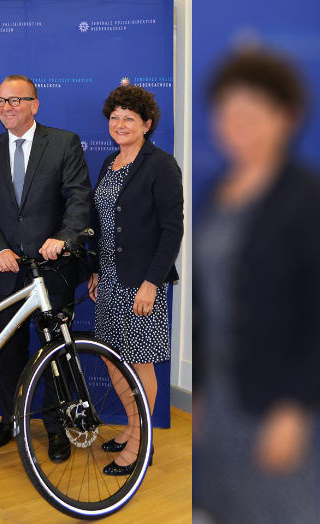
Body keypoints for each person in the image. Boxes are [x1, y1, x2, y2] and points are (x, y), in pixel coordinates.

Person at [192, 51, 320, 523]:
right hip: (214, 402)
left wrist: (294, 408)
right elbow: (204, 301)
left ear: (286, 118)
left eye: (253, 114)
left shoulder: (310, 197)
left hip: (273, 403)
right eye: (228, 112)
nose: (238, 124)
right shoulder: (217, 191)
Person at [0, 75, 92, 462]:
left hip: (52, 268)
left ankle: (57, 428)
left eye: (16, 100)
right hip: (7, 269)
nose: (7, 107)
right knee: (8, 351)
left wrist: (64, 237)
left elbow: (78, 198)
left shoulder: (63, 143)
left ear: (35, 104)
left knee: (54, 350)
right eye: (1, 101)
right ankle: (9, 420)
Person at [86, 85, 184, 476]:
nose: (120, 124)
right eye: (115, 117)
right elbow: (100, 224)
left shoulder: (161, 165)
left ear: (146, 124)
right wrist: (94, 270)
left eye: (129, 118)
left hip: (142, 283)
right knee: (113, 358)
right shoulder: (109, 162)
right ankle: (132, 426)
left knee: (141, 364)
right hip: (109, 279)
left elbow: (172, 229)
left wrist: (151, 283)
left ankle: (142, 442)